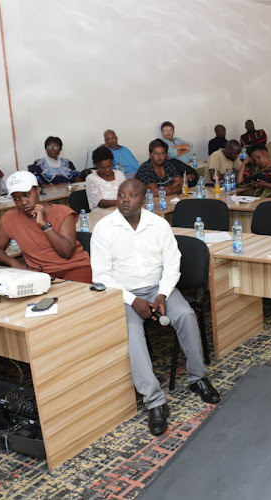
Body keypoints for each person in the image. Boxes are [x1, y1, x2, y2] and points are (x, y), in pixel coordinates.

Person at [90, 179, 220, 436]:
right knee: (132, 332)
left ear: (143, 198)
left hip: (158, 288)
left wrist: (162, 293)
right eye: (121, 195)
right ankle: (154, 401)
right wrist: (132, 300)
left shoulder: (158, 224)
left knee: (185, 314)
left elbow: (173, 263)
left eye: (132, 195)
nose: (125, 200)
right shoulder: (104, 228)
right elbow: (101, 275)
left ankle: (198, 378)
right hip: (122, 293)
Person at [0, 171, 92, 282]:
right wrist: (14, 263)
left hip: (74, 268)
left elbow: (66, 252)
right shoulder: (11, 218)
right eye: (16, 199)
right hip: (40, 275)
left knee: (71, 298)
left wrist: (44, 224)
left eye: (27, 195)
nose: (23, 202)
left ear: (38, 190)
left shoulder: (62, 212)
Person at [86, 146, 125, 211]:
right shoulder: (91, 179)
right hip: (101, 213)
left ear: (112, 162)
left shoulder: (119, 174)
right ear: (96, 165)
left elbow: (127, 192)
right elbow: (100, 203)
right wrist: (122, 202)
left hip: (121, 210)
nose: (107, 170)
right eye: (103, 168)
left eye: (109, 166)